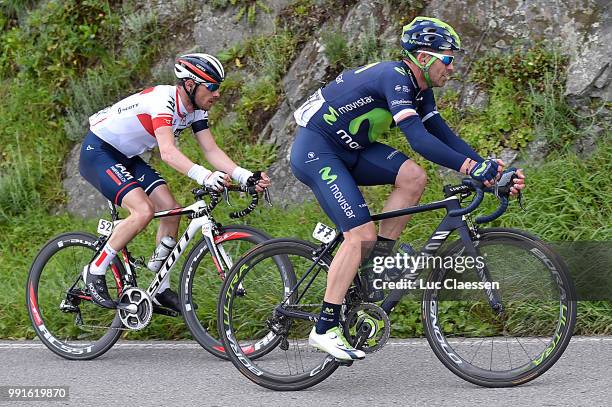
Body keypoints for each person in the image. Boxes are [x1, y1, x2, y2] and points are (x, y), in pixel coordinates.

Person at [290, 16, 525, 361]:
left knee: (412, 177)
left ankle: (378, 265)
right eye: (448, 59)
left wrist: (487, 172)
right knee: (360, 234)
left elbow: (442, 135)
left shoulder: (421, 88)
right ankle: (324, 328)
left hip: (351, 150)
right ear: (425, 57)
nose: (452, 67)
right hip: (317, 151)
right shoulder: (395, 77)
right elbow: (417, 139)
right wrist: (475, 168)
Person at [79, 53, 271, 312]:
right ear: (190, 85)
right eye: (212, 87)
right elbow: (167, 152)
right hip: (99, 151)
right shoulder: (163, 100)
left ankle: (159, 290)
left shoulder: (196, 110)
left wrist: (244, 176)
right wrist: (205, 176)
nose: (217, 94)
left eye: (219, 88)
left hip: (127, 156)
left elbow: (211, 150)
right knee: (144, 210)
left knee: (171, 209)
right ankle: (95, 268)